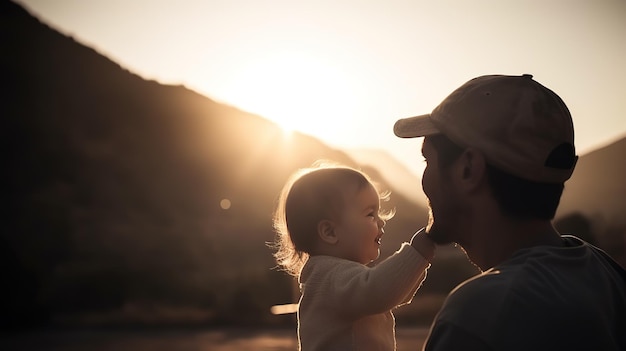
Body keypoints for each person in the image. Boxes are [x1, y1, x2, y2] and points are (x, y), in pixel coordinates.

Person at [393, 74, 626, 351]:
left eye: (427, 160)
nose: (425, 180)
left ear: (469, 169)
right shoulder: (605, 272)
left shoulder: (482, 313)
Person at [271, 161, 436, 351]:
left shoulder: (337, 275)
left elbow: (394, 295)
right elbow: (379, 291)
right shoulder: (330, 276)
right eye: (370, 214)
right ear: (330, 232)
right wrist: (417, 253)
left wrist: (420, 261)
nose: (381, 222)